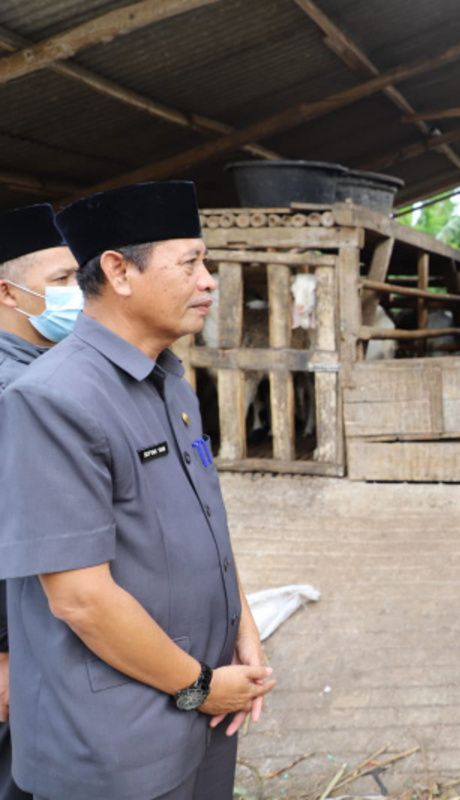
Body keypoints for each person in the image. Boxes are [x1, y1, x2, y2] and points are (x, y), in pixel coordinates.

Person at [0, 181, 277, 799]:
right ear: (119, 272)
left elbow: (206, 523)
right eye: (191, 263)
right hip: (118, 737)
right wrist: (201, 684)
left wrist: (243, 626)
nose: (208, 281)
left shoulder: (170, 384)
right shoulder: (53, 399)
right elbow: (80, 598)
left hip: (199, 705)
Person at [0, 203, 80, 800]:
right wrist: (3, 653)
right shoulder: (12, 391)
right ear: (10, 292)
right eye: (62, 281)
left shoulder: (44, 371)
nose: (77, 295)